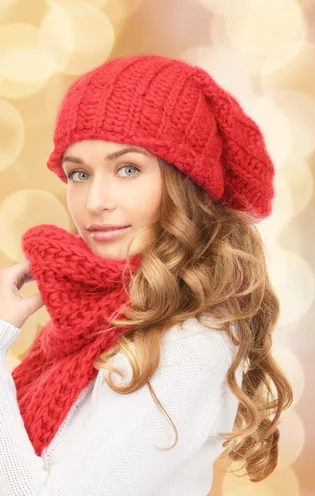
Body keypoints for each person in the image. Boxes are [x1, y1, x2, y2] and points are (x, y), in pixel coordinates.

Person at [0, 54, 293, 495]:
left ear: (183, 182)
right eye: (78, 173)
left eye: (128, 169)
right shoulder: (91, 320)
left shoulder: (190, 342)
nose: (95, 200)